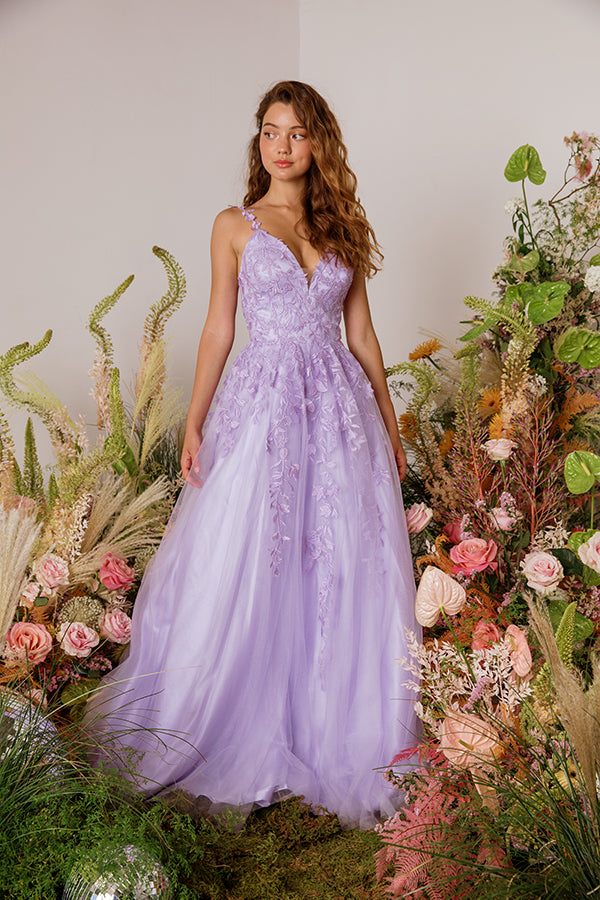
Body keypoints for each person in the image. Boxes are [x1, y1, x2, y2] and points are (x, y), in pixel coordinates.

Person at [85, 80, 419, 830]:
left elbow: (362, 337)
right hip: (261, 408)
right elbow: (218, 328)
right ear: (258, 140)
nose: (281, 145)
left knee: (335, 558)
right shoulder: (234, 226)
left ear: (318, 142)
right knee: (249, 554)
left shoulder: (342, 229)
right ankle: (230, 718)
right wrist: (195, 420)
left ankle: (330, 722)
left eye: (296, 133)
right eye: (270, 131)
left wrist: (390, 426)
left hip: (336, 412)